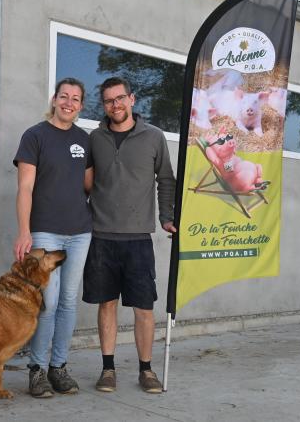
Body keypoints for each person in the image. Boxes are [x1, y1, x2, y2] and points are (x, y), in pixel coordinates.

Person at [82, 77, 176, 394]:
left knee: (143, 309)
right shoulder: (94, 139)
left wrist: (166, 217)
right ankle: (108, 369)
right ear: (104, 105)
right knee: (106, 305)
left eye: (120, 98)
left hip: (138, 239)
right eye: (108, 101)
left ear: (132, 99)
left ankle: (146, 370)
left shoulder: (154, 137)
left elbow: (166, 179)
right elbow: (84, 183)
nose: (115, 105)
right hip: (101, 238)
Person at [13, 77, 93, 398]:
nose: (69, 103)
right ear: (54, 99)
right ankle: (36, 370)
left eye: (75, 99)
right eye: (64, 97)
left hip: (80, 231)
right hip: (45, 230)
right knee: (48, 302)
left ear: (81, 105)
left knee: (69, 301)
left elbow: (90, 185)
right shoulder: (35, 136)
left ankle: (58, 367)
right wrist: (23, 231)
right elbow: (25, 188)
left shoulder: (84, 140)